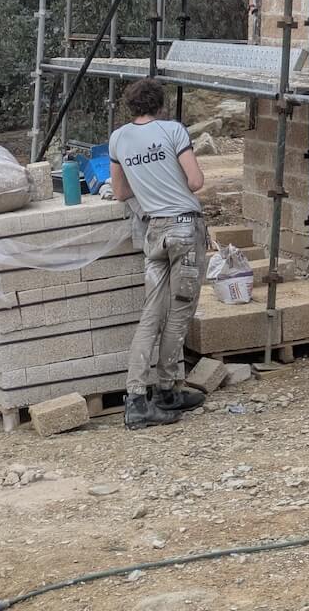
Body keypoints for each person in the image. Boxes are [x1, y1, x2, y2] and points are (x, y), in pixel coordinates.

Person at [109, 78, 208, 430]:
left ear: (131, 107)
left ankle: (136, 397)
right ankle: (166, 391)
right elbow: (196, 181)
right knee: (179, 313)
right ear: (160, 105)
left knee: (151, 315)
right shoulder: (173, 130)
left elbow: (120, 192)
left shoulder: (118, 138)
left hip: (154, 234)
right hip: (183, 229)